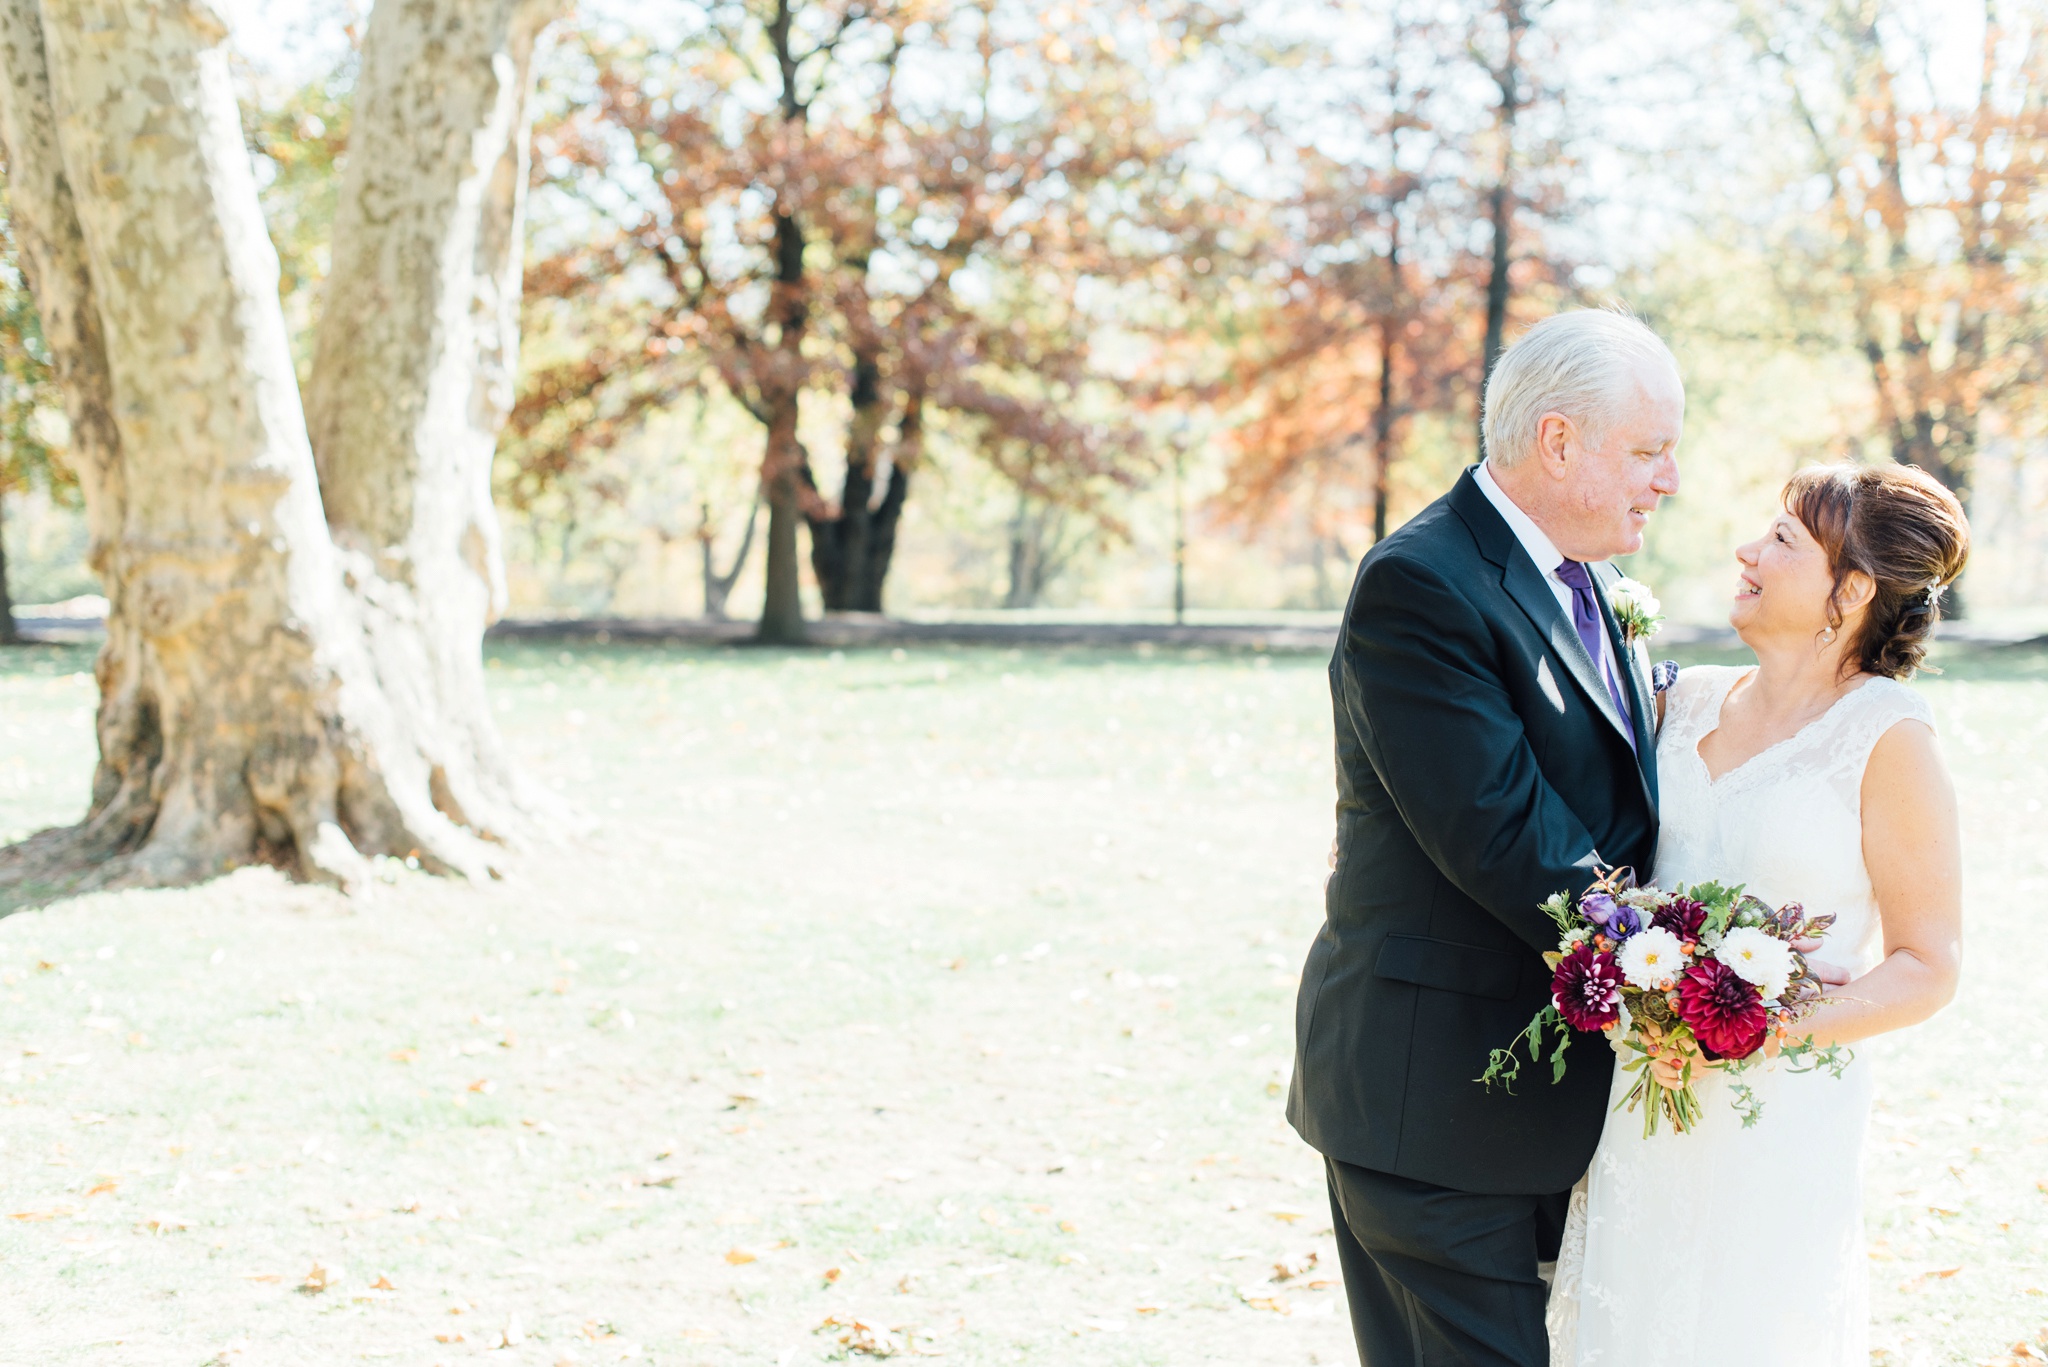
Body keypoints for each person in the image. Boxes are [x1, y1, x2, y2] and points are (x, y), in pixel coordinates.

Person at [1288, 308, 1694, 1366]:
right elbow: (1506, 832)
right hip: (1434, 1103)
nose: (1668, 481)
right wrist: (1691, 973)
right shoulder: (1421, 583)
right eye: (1647, 451)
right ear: (1558, 441)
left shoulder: (1583, 578)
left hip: (1537, 1103)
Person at [1547, 462, 1968, 1365]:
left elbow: (1929, 962)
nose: (1748, 549)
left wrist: (1759, 1029)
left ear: (1850, 590)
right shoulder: (1680, 697)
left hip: (1773, 1115)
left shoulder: (1889, 737)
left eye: (1782, 540)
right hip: (1643, 1098)